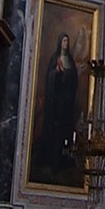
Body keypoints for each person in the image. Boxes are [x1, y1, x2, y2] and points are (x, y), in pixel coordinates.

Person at [29, 31, 80, 183]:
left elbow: (74, 80)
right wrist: (56, 74)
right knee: (55, 132)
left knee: (65, 131)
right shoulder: (55, 58)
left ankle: (63, 161)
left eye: (67, 41)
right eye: (64, 41)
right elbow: (49, 77)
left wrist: (70, 75)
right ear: (60, 43)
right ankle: (53, 161)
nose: (65, 44)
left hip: (66, 104)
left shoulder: (70, 60)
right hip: (56, 103)